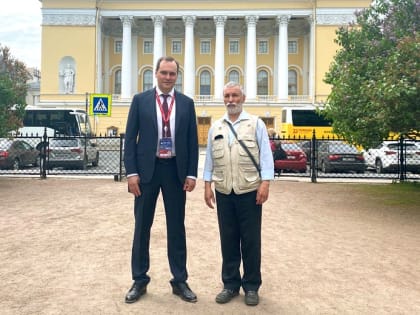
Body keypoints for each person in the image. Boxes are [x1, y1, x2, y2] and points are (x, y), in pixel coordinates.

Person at [123, 56, 199, 304]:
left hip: (175, 172)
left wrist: (191, 173)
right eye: (164, 72)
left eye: (172, 74)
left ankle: (179, 280)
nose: (168, 77)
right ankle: (139, 279)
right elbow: (130, 140)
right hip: (147, 172)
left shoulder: (187, 104)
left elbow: (191, 141)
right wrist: (132, 173)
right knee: (142, 226)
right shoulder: (140, 101)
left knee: (176, 227)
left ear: (177, 76)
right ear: (155, 74)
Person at [203, 81, 274, 306]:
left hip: (249, 190)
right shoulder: (216, 126)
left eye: (235, 95)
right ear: (223, 99)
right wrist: (207, 185)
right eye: (227, 96)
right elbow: (209, 159)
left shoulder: (256, 124)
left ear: (243, 98)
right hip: (224, 190)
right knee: (228, 240)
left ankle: (251, 286)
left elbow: (265, 156)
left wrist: (265, 183)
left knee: (251, 240)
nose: (231, 100)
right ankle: (230, 284)